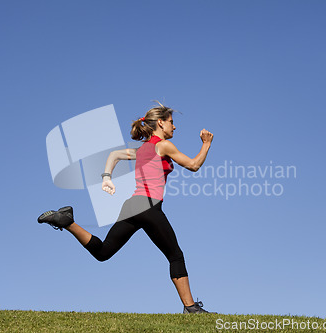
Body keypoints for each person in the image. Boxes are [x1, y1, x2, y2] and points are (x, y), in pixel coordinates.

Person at [38, 101, 214, 314]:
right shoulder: (163, 145)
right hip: (149, 206)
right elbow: (194, 165)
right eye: (171, 122)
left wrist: (106, 177)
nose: (174, 127)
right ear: (160, 123)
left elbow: (114, 155)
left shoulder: (141, 150)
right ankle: (190, 308)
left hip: (132, 205)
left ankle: (67, 221)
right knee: (175, 256)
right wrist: (206, 144)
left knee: (103, 252)